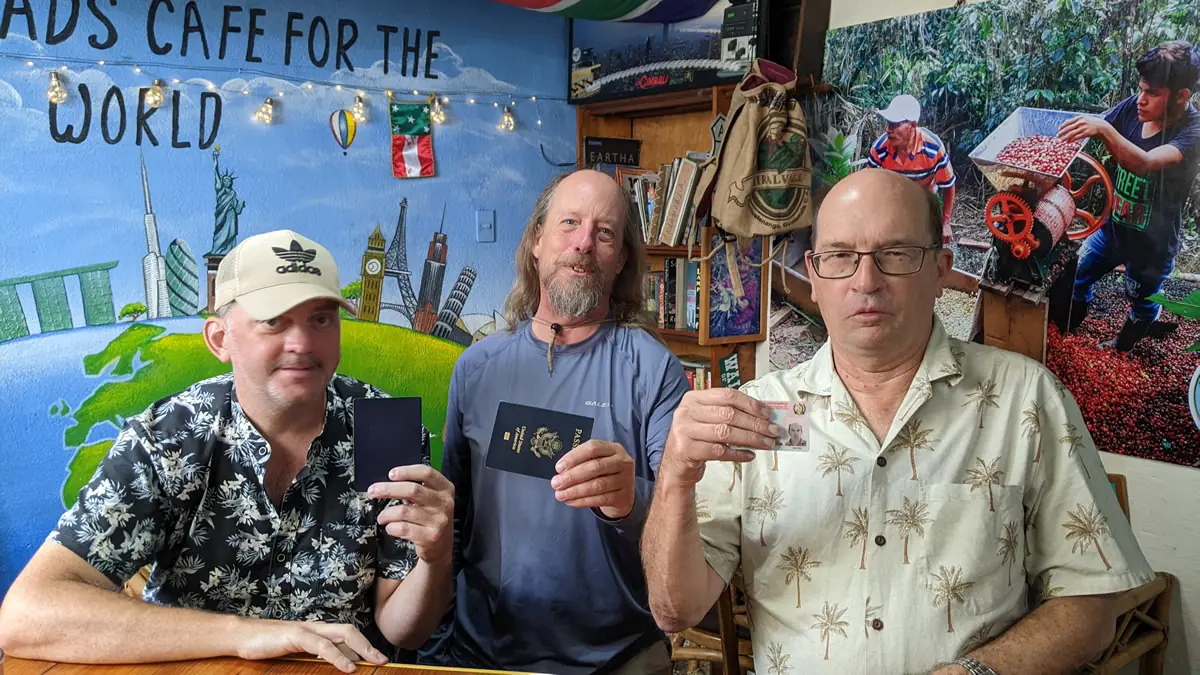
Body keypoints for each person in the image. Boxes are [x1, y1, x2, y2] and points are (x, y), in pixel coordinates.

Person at [642, 169, 1155, 674]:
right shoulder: (758, 416)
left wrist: (973, 674)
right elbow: (675, 610)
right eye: (840, 257)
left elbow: (1092, 604)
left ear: (940, 272)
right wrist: (673, 479)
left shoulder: (1025, 398)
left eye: (896, 255)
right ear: (815, 279)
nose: (866, 281)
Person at [0, 230, 454, 673]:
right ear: (220, 339)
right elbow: (26, 615)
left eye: (321, 319)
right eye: (274, 321)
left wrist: (434, 560)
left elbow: (402, 632)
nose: (302, 344)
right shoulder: (170, 437)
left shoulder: (387, 428)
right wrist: (247, 634)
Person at [422, 170, 690, 674]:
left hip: (619, 658)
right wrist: (438, 651)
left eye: (605, 232)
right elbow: (452, 523)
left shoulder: (653, 369)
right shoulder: (477, 369)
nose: (584, 243)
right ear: (536, 243)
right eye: (569, 224)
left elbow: (683, 520)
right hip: (484, 657)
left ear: (621, 260)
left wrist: (629, 497)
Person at [1056, 41, 1200, 351]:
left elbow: (1145, 163)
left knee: (1140, 298)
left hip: (1151, 247)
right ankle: (1069, 326)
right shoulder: (1134, 107)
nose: (1140, 100)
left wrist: (1104, 130)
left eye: (1152, 94)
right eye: (1140, 89)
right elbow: (1094, 126)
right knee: (1078, 276)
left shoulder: (1192, 131)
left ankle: (1123, 345)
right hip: (1113, 229)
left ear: (1181, 96)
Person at [866, 94, 958, 246]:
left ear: (913, 126)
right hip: (892, 199)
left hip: (924, 197)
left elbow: (948, 186)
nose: (889, 130)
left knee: (925, 242)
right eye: (888, 123)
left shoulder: (933, 148)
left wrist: (946, 222)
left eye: (896, 124)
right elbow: (870, 186)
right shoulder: (879, 149)